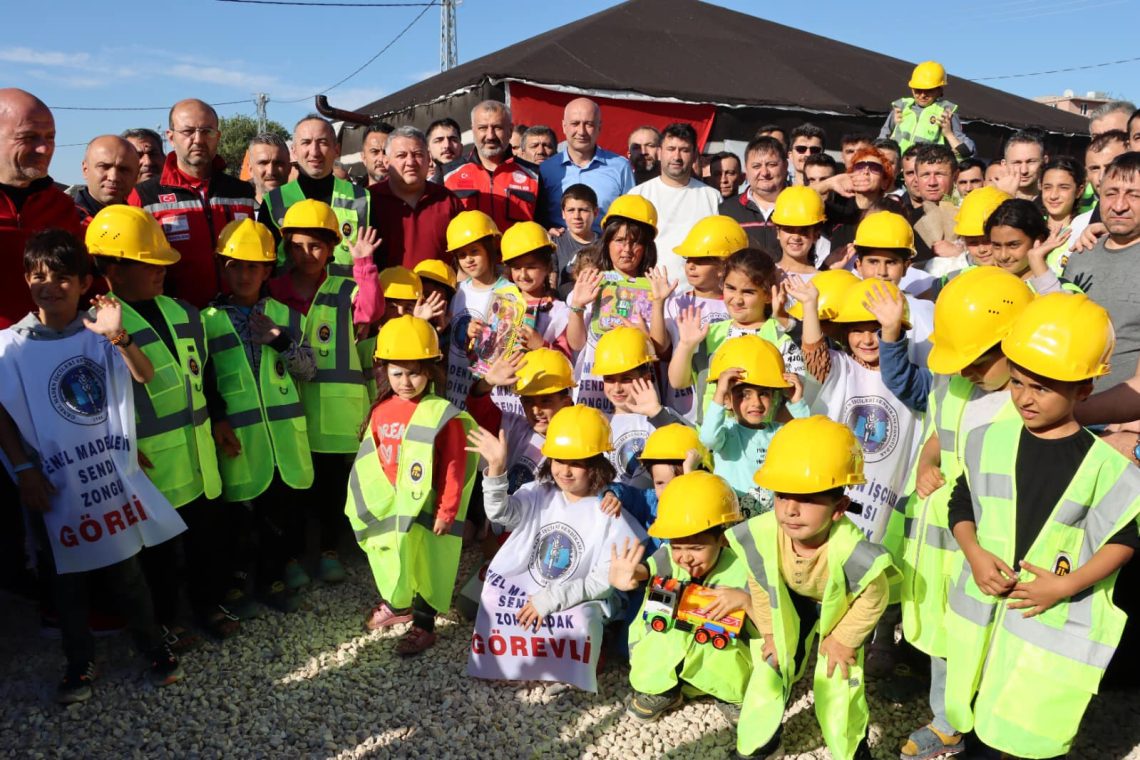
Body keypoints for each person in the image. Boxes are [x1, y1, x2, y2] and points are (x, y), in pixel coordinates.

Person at [942, 293, 1139, 759]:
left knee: (1019, 737)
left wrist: (1067, 585)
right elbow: (961, 499)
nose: (1025, 398)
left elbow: (1126, 538)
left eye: (1042, 388)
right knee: (975, 724)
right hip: (983, 625)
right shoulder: (986, 438)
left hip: (1043, 629)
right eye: (1017, 382)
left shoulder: (1104, 466)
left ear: (1084, 391)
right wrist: (972, 552)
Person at [0, 228, 187, 703]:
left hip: (106, 476)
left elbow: (143, 376)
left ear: (85, 283)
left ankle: (152, 645)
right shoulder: (10, 346)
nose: (50, 286)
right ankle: (79, 660)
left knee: (127, 570)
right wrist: (23, 471)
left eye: (63, 277)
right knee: (65, 578)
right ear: (25, 279)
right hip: (52, 482)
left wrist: (118, 336)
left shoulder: (99, 332)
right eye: (39, 276)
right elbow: (2, 414)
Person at [878, 267, 1032, 760]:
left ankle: (989, 724)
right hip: (942, 545)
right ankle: (948, 720)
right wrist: (926, 461)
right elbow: (939, 434)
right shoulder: (954, 384)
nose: (966, 369)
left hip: (990, 549)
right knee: (948, 638)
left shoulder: (1028, 405)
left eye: (978, 359)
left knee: (989, 640)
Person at [87, 204, 231, 647]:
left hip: (200, 452)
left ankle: (210, 605)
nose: (160, 271)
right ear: (113, 268)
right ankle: (167, 620)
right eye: (148, 263)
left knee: (207, 538)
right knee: (159, 553)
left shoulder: (184, 312)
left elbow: (204, 373)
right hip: (149, 465)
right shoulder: (95, 326)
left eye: (162, 262)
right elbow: (93, 403)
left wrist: (221, 418)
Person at [728, 416, 894, 760]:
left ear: (839, 508)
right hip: (791, 602)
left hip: (840, 610)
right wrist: (772, 632)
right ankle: (761, 744)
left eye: (807, 498)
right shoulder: (762, 534)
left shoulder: (852, 551)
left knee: (839, 677)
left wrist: (844, 639)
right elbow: (760, 583)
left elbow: (875, 595)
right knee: (770, 666)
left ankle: (850, 749)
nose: (790, 509)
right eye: (782, 495)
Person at [465, 404, 645, 692]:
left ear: (597, 463)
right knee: (492, 599)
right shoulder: (538, 493)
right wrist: (496, 471)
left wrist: (551, 599)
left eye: (577, 463)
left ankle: (587, 656)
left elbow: (602, 580)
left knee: (580, 620)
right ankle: (517, 660)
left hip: (576, 595)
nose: (565, 471)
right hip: (532, 585)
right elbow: (501, 514)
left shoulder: (608, 511)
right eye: (559, 460)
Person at [203, 219, 317, 615]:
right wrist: (217, 419)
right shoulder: (206, 321)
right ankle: (235, 583)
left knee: (277, 516)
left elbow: (308, 370)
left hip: (283, 438)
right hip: (238, 436)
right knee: (236, 518)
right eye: (234, 265)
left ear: (268, 270)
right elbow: (203, 379)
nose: (243, 274)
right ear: (222, 267)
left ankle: (271, 579)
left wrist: (280, 339)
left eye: (253, 266)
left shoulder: (285, 315)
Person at [349, 315, 478, 653]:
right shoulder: (380, 411)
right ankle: (397, 604)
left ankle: (423, 624)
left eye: (414, 372)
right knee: (395, 558)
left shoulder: (441, 413)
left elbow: (454, 464)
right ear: (383, 369)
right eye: (397, 373)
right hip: (394, 509)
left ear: (431, 370)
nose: (406, 381)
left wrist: (447, 510)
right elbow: (370, 461)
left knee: (429, 566)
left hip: (429, 508)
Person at [270, 200, 378, 586]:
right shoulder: (274, 290)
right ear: (285, 247)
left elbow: (368, 312)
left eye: (317, 245)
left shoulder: (346, 287)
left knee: (333, 487)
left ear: (333, 248)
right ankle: (297, 555)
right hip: (290, 407)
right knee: (296, 490)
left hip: (337, 413)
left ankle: (330, 549)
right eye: (297, 246)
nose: (307, 254)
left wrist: (364, 264)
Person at [786, 274, 921, 543]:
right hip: (833, 491)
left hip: (886, 496)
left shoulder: (911, 379)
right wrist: (810, 307)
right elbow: (815, 358)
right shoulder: (841, 366)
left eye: (878, 329)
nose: (868, 340)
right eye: (858, 330)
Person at [609, 471, 752, 721]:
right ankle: (663, 690)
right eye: (678, 547)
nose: (685, 557)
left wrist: (745, 601)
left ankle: (730, 695)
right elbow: (647, 570)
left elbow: (770, 620)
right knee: (658, 642)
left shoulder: (743, 567)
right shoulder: (667, 556)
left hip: (719, 648)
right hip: (673, 642)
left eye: (697, 548)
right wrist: (630, 575)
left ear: (723, 540)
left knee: (726, 656)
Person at [128, 98, 256, 309]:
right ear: (171, 137)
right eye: (188, 132)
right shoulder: (144, 196)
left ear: (218, 136)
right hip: (176, 321)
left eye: (207, 131)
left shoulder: (241, 191)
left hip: (237, 319)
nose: (198, 140)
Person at [668, 247, 803, 423]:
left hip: (763, 442)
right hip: (715, 442)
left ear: (768, 295)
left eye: (748, 292)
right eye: (731, 288)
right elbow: (678, 382)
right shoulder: (711, 334)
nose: (737, 299)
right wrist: (685, 345)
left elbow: (793, 398)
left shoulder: (781, 337)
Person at [0, 88, 84, 329]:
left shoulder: (62, 206)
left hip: (50, 353)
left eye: (50, 137)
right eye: (29, 137)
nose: (44, 149)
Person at [566, 195, 658, 411]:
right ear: (606, 242)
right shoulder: (588, 284)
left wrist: (646, 340)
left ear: (646, 247)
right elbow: (576, 344)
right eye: (619, 240)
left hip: (637, 394)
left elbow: (661, 353)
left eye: (635, 242)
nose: (626, 250)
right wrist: (578, 306)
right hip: (592, 386)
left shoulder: (656, 288)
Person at [648, 215, 745, 421]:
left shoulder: (739, 306)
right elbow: (661, 348)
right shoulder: (676, 302)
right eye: (688, 259)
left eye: (701, 260)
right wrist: (658, 303)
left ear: (724, 266)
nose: (691, 266)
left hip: (732, 409)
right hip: (684, 409)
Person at [700, 335, 809, 515]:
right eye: (744, 394)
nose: (756, 403)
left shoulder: (780, 432)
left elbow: (807, 443)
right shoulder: (726, 432)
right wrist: (719, 392)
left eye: (764, 394)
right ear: (727, 400)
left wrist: (797, 401)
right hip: (733, 522)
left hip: (772, 523)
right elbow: (708, 438)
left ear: (774, 398)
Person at [1064, 152, 1140, 387]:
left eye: (1134, 195)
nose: (1119, 206)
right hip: (1073, 409)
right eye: (1110, 194)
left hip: (1125, 420)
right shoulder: (1081, 254)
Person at [260, 115, 370, 274]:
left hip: (349, 299)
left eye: (323, 142)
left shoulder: (362, 198)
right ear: (294, 151)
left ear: (337, 150)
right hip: (289, 299)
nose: (315, 151)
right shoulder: (273, 202)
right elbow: (265, 267)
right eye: (306, 142)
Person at [629, 123, 721, 281]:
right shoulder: (638, 195)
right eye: (671, 149)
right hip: (647, 291)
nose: (677, 157)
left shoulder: (712, 197)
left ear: (694, 155)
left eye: (684, 150)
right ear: (659, 153)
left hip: (696, 294)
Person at [369, 126, 462, 270]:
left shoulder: (448, 200)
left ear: (428, 158)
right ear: (386, 162)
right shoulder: (368, 201)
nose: (411, 162)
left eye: (418, 154)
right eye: (401, 155)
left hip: (441, 291)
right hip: (386, 291)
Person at [443, 210, 510, 405]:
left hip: (487, 397)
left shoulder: (508, 293)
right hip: (453, 392)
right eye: (462, 255)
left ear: (490, 248)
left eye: (474, 251)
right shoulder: (458, 291)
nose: (469, 260)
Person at [538, 98, 635, 230]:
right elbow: (538, 217)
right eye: (575, 123)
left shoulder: (620, 167)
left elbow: (630, 218)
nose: (581, 131)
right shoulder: (546, 170)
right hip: (559, 248)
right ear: (564, 126)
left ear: (599, 127)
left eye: (588, 124)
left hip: (604, 248)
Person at [443, 100, 539, 231]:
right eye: (483, 128)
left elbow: (545, 225)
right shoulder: (447, 175)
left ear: (510, 130)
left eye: (497, 127)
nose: (490, 135)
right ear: (473, 130)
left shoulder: (535, 175)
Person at [881, 61, 975, 158]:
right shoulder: (901, 107)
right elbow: (883, 137)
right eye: (918, 90)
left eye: (928, 90)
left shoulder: (946, 112)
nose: (922, 95)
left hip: (927, 169)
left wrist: (949, 134)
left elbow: (968, 150)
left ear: (940, 90)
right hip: (898, 167)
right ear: (912, 89)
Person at [986, 199, 1076, 294]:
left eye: (1013, 245)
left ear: (1038, 240)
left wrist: (1036, 258)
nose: (1003, 256)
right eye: (996, 245)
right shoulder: (985, 285)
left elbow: (1058, 306)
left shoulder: (1062, 287)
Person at [719, 136, 787, 251]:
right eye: (756, 166)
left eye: (772, 165)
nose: (764, 172)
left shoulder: (800, 206)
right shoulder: (726, 211)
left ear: (785, 166)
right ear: (746, 169)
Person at [1038, 157, 1088, 274]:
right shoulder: (1030, 227)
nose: (1053, 195)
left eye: (1063, 187)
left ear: (1079, 191)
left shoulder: (1084, 230)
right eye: (1047, 187)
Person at [74, 135, 141, 224]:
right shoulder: (64, 221)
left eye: (123, 169)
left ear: (136, 175)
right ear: (85, 169)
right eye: (104, 167)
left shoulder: (141, 224)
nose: (113, 177)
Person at [771, 186, 827, 276]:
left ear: (816, 235)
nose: (796, 237)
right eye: (789, 229)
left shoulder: (824, 280)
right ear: (778, 232)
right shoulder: (765, 276)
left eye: (803, 230)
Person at [552, 183, 599, 290]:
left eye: (583, 210)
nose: (576, 216)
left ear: (595, 213)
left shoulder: (604, 245)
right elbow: (551, 283)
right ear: (563, 213)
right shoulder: (554, 242)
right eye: (571, 210)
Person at [996, 130, 1047, 202]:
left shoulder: (1052, 203)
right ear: (1004, 165)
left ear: (1044, 161)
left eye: (1031, 162)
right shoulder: (988, 200)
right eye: (1017, 163)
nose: (1024, 170)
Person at [246, 132, 290, 205]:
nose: (271, 171)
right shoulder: (239, 210)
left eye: (278, 163)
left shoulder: (303, 208)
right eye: (263, 163)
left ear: (289, 167)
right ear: (250, 169)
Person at [426, 117, 462, 182]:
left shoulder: (478, 179)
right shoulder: (423, 189)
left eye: (453, 140)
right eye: (439, 140)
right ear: (429, 151)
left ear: (461, 147)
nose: (447, 145)